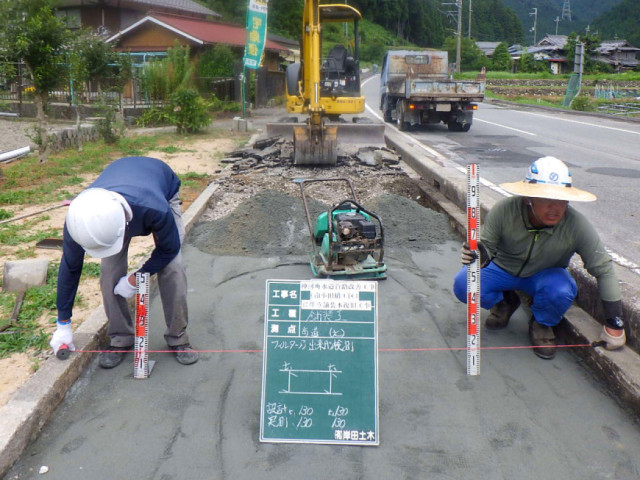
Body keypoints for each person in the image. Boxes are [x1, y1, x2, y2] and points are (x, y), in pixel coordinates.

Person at [453, 156, 626, 359]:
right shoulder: (504, 211)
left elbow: (603, 269)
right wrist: (478, 253)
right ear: (528, 199)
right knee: (464, 283)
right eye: (546, 200)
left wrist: (614, 321)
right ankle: (504, 302)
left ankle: (542, 323)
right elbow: (486, 246)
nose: (555, 208)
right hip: (503, 267)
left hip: (544, 275)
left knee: (562, 291)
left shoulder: (577, 225)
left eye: (561, 200)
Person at [49, 156, 199, 368]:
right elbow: (70, 268)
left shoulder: (156, 209)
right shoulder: (79, 219)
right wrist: (63, 323)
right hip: (114, 197)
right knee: (109, 271)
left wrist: (135, 278)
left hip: (159, 189)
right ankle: (121, 338)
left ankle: (178, 337)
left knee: (173, 267)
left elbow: (169, 249)